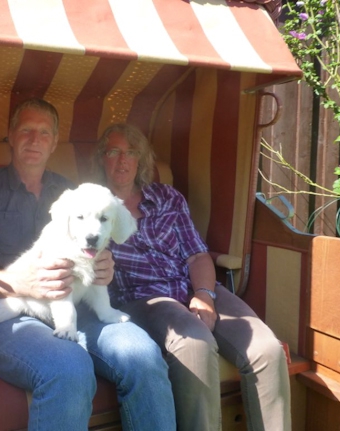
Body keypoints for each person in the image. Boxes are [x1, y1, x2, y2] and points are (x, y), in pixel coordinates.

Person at [0, 99, 176, 431]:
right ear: (10, 135)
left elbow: (95, 241)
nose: (35, 139)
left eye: (45, 133)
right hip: (12, 311)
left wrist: (104, 269)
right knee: (69, 367)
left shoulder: (70, 192)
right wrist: (25, 282)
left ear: (55, 142)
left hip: (78, 307)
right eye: (26, 130)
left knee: (143, 355)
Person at [92, 123, 291, 431]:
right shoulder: (92, 207)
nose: (122, 160)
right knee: (195, 344)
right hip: (144, 299)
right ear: (101, 158)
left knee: (268, 350)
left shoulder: (168, 198)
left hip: (193, 285)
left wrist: (204, 295)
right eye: (114, 152)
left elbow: (197, 255)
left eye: (130, 153)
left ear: (140, 160)